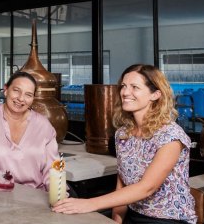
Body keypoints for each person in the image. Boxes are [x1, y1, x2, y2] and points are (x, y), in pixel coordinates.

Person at [52, 64, 196, 224]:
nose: (125, 92)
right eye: (124, 86)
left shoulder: (171, 136)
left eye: (135, 87)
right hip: (134, 216)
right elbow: (123, 182)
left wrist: (89, 204)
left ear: (155, 94)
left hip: (169, 220)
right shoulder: (123, 134)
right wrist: (116, 220)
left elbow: (147, 187)